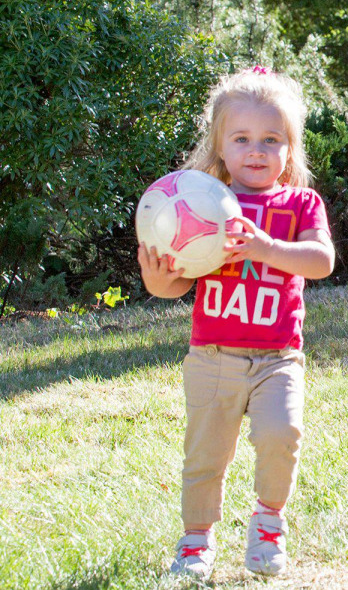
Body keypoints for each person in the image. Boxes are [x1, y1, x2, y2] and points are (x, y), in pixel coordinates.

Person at [137, 67, 336, 578]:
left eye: (272, 139)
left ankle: (268, 523)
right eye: (242, 138)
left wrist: (265, 247)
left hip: (278, 358)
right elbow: (175, 286)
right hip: (213, 358)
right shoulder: (200, 205)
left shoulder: (300, 204)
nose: (256, 150)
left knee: (282, 435)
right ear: (220, 148)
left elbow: (320, 261)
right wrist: (156, 276)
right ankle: (196, 542)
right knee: (206, 455)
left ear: (290, 149)